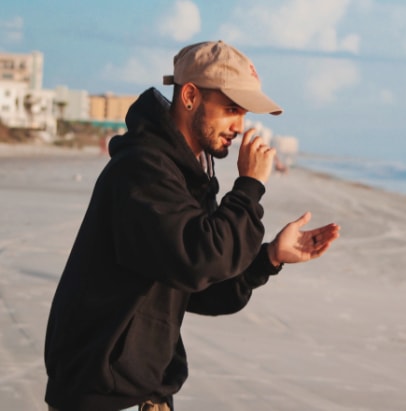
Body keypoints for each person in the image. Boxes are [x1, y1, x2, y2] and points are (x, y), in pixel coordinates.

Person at [44, 40, 340, 411]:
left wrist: (269, 259)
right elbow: (200, 260)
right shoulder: (143, 170)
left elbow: (201, 288)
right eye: (231, 109)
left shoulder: (187, 175)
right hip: (100, 393)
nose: (240, 126)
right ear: (189, 97)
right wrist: (249, 187)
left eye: (244, 113)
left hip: (146, 393)